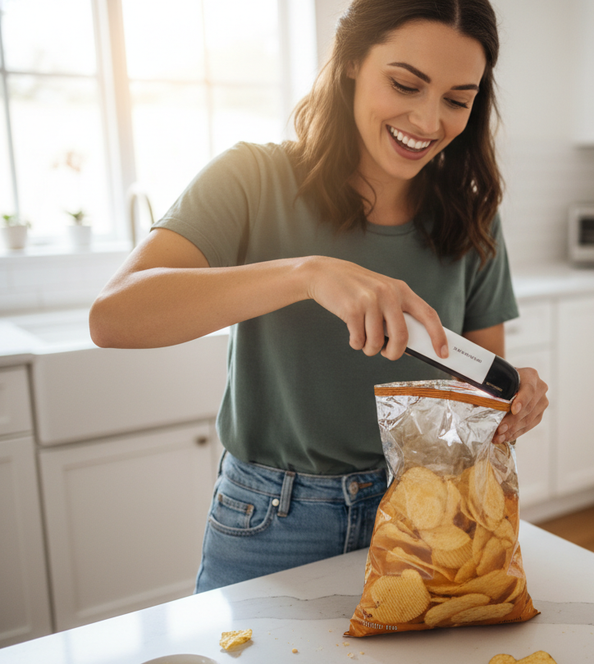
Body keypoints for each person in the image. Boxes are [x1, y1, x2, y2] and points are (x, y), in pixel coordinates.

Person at [89, 0, 548, 593]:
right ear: (353, 61)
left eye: (457, 100)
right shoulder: (251, 179)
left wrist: (514, 396)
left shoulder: (473, 216)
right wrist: (306, 274)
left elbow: (475, 391)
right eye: (406, 84)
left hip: (423, 513)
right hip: (271, 519)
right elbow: (114, 315)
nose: (429, 121)